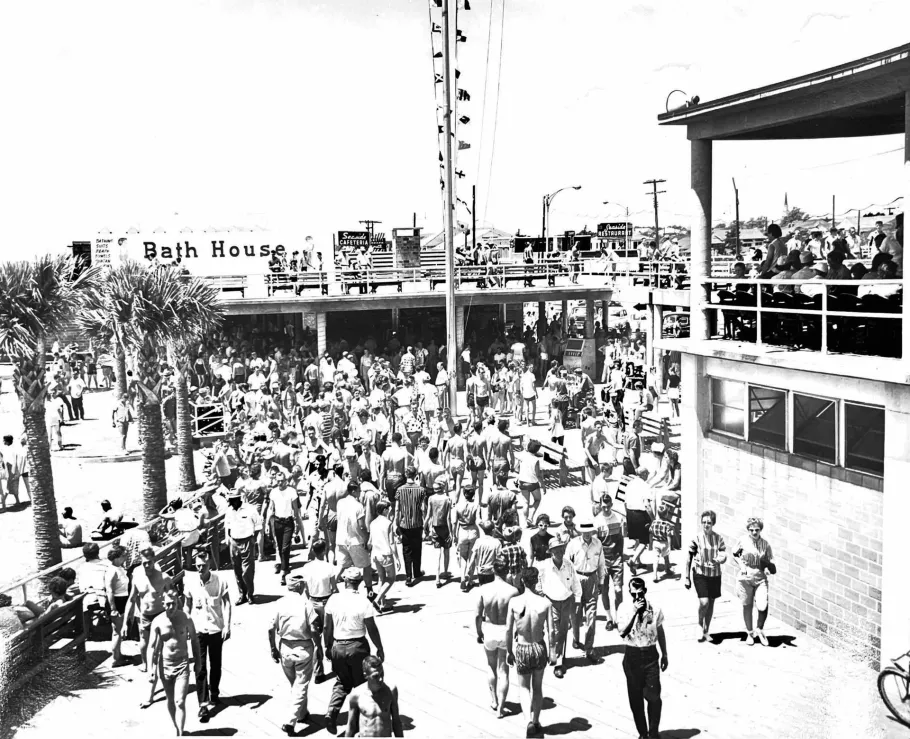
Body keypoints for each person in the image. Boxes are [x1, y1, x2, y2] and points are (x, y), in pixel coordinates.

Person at [324, 568, 387, 734]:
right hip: (358, 647)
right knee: (361, 686)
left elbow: (326, 626)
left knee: (341, 681)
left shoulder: (333, 599)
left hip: (338, 646)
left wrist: (327, 646)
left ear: (345, 581)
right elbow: (371, 628)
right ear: (359, 583)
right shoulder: (364, 601)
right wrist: (379, 647)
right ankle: (359, 724)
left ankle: (332, 712)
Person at [269, 572, 321, 735]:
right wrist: (318, 646)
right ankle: (290, 721)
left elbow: (271, 628)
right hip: (303, 648)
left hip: (285, 647)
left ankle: (302, 713)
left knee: (296, 685)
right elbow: (313, 628)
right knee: (301, 685)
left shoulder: (279, 603)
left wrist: (273, 648)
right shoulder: (306, 604)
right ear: (299, 586)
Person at [617, 577, 669, 739]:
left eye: (640, 593)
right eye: (634, 594)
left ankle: (653, 732)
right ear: (630, 593)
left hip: (650, 654)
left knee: (654, 697)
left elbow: (660, 630)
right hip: (632, 655)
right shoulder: (624, 608)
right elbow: (622, 632)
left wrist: (665, 653)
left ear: (645, 591)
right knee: (636, 699)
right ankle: (643, 734)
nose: (637, 597)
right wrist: (634, 612)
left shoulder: (655, 608)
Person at [185, 549, 232, 723]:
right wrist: (186, 627)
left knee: (216, 664)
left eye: (203, 566)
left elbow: (227, 603)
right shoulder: (190, 582)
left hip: (216, 629)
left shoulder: (219, 581)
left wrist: (227, 625)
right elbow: (186, 606)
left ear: (209, 565)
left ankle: (214, 693)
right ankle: (203, 705)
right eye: (197, 566)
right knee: (200, 667)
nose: (200, 569)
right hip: (198, 630)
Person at [505, 567, 553, 738]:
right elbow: (552, 631)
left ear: (523, 581)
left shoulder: (514, 602)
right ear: (536, 581)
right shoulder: (545, 603)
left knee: (524, 688)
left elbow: (509, 630)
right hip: (539, 646)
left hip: (523, 647)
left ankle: (528, 722)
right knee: (538, 686)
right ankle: (537, 720)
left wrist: (509, 651)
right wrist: (553, 652)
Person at [148, 587, 200, 736]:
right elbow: (151, 647)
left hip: (182, 664)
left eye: (174, 604)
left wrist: (198, 662)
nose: (171, 607)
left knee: (180, 702)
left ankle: (181, 734)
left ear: (178, 602)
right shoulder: (157, 622)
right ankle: (177, 728)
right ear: (163, 603)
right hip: (164, 666)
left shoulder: (186, 618)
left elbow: (195, 641)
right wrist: (151, 670)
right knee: (170, 700)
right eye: (168, 604)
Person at [122, 546, 172, 691]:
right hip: (145, 615)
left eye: (149, 562)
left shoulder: (163, 577)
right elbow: (131, 600)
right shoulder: (137, 576)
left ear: (154, 561)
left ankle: (159, 672)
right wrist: (126, 623)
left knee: (159, 646)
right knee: (144, 643)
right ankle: (146, 665)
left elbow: (173, 597)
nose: (146, 566)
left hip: (160, 614)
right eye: (144, 563)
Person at [475, 555, 519, 718]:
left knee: (490, 667)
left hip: (490, 629)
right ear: (507, 571)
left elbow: (478, 615)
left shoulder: (484, 589)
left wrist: (479, 632)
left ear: (493, 570)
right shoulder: (513, 591)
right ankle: (501, 708)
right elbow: (517, 615)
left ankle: (493, 700)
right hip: (505, 631)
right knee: (504, 672)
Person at [537, 535, 579, 680]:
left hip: (566, 601)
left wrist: (577, 598)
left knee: (563, 631)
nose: (559, 552)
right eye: (555, 550)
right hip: (551, 602)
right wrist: (541, 594)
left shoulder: (568, 565)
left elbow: (575, 582)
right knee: (553, 631)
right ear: (550, 552)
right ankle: (556, 663)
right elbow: (537, 580)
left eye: (561, 549)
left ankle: (560, 658)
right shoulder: (544, 566)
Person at [684, 510, 727, 643]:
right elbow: (689, 557)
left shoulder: (718, 538)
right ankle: (699, 624)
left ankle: (706, 630)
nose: (706, 525)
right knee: (704, 602)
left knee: (711, 602)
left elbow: (723, 554)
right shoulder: (696, 538)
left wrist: (719, 560)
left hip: (714, 575)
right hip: (700, 574)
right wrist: (687, 577)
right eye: (704, 522)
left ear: (713, 523)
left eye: (709, 522)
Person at [566, 523, 605, 664]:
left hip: (592, 579)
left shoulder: (597, 543)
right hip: (577, 579)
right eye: (584, 531)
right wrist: (568, 584)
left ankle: (589, 648)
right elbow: (566, 564)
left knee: (591, 615)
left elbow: (601, 563)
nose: (587, 534)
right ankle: (576, 639)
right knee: (575, 615)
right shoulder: (573, 544)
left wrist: (601, 581)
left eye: (589, 531)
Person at [733, 516, 776, 647]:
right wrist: (741, 565)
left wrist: (768, 566)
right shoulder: (742, 541)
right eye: (751, 530)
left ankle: (760, 629)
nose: (754, 532)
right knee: (747, 605)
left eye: (757, 529)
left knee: (762, 605)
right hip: (745, 578)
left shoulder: (765, 544)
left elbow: (770, 562)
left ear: (760, 530)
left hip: (760, 578)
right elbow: (735, 553)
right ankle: (750, 633)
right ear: (748, 530)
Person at [346, 655, 404, 738]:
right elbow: (351, 726)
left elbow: (396, 721)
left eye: (382, 674)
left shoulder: (391, 691)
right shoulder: (356, 695)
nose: (380, 679)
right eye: (375, 676)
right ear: (366, 675)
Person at [224, 488, 262, 605]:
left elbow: (258, 526)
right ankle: (242, 594)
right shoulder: (229, 511)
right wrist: (228, 539)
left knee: (247, 570)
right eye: (230, 500)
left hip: (247, 541)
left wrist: (253, 540)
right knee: (237, 569)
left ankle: (250, 594)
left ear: (238, 499)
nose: (231, 503)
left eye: (233, 500)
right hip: (234, 541)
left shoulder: (250, 509)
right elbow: (227, 526)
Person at [594, 493, 625, 631]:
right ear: (600, 505)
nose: (606, 509)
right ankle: (609, 618)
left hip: (617, 560)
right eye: (603, 506)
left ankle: (619, 618)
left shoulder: (618, 518)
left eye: (608, 506)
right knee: (605, 591)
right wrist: (601, 564)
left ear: (611, 505)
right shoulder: (597, 521)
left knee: (618, 590)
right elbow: (596, 545)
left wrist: (621, 558)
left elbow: (621, 540)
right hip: (604, 562)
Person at [269, 471, 306, 585]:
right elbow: (271, 509)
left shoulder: (291, 491)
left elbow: (296, 510)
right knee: (280, 547)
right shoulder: (273, 492)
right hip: (277, 522)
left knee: (285, 547)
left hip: (288, 522)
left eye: (282, 481)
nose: (280, 483)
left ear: (286, 481)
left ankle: (284, 571)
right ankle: (285, 566)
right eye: (278, 481)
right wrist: (268, 524)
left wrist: (297, 526)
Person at [393, 465, 426, 587]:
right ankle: (417, 571)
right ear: (416, 475)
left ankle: (408, 576)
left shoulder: (400, 490)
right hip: (417, 523)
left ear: (406, 475)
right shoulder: (421, 490)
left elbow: (397, 509)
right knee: (417, 548)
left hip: (404, 524)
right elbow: (423, 508)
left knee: (406, 550)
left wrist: (397, 523)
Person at [368, 499, 399, 613]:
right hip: (386, 554)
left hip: (376, 554)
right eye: (389, 509)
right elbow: (392, 542)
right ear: (385, 510)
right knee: (391, 578)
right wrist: (397, 558)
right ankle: (377, 600)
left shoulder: (373, 523)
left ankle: (383, 604)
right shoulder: (388, 523)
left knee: (381, 578)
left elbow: (370, 542)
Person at [425, 477, 454, 588]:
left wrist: (425, 527)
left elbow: (428, 515)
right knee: (446, 551)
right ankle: (445, 572)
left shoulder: (431, 499)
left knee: (437, 554)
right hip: (445, 528)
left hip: (435, 528)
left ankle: (437, 577)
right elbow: (448, 518)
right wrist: (451, 532)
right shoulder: (447, 499)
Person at [105, 544, 130, 667]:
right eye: (124, 556)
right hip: (117, 601)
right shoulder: (112, 571)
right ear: (116, 557)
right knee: (117, 631)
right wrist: (113, 608)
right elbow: (109, 590)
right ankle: (115, 659)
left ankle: (118, 654)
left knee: (119, 631)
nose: (126, 557)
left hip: (123, 599)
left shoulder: (119, 568)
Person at [465, 519, 502, 589]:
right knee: (491, 590)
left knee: (482, 588)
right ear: (493, 530)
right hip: (491, 571)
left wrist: (469, 567)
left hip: (480, 571)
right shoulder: (497, 542)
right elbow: (499, 558)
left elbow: (473, 555)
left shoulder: (478, 541)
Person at [516, 441, 543, 529]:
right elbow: (538, 475)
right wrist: (543, 485)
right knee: (537, 499)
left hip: (522, 482)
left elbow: (517, 467)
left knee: (525, 502)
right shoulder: (536, 460)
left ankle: (525, 520)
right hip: (533, 483)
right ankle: (531, 518)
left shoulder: (522, 456)